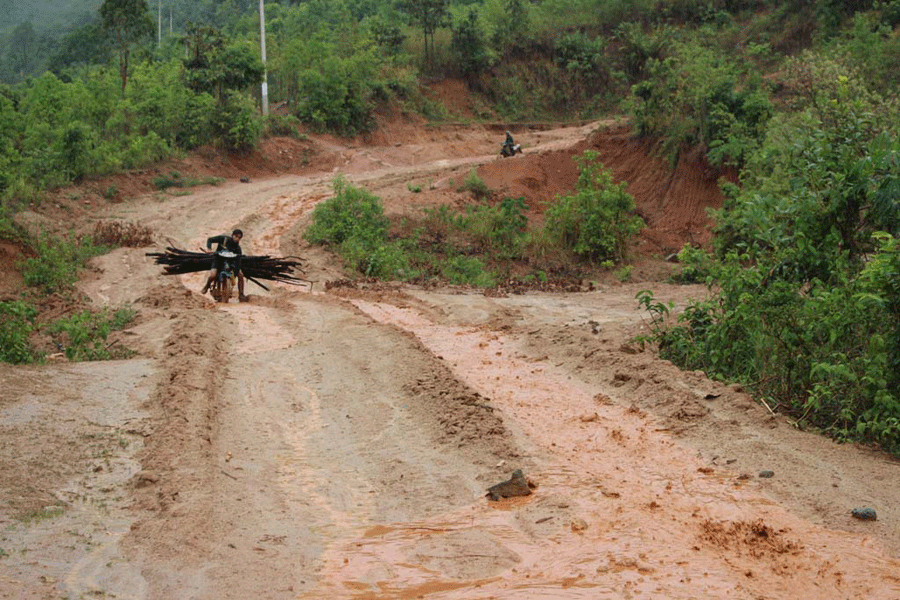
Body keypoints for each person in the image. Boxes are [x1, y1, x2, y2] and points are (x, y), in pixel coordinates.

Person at [201, 229, 247, 301]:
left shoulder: (237, 248)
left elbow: (238, 260)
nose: (237, 239)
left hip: (229, 262)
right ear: (232, 235)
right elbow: (210, 240)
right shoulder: (224, 239)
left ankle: (241, 294)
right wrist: (209, 249)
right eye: (236, 236)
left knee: (241, 275)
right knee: (213, 275)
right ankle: (207, 286)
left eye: (239, 238)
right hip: (218, 260)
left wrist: (236, 272)